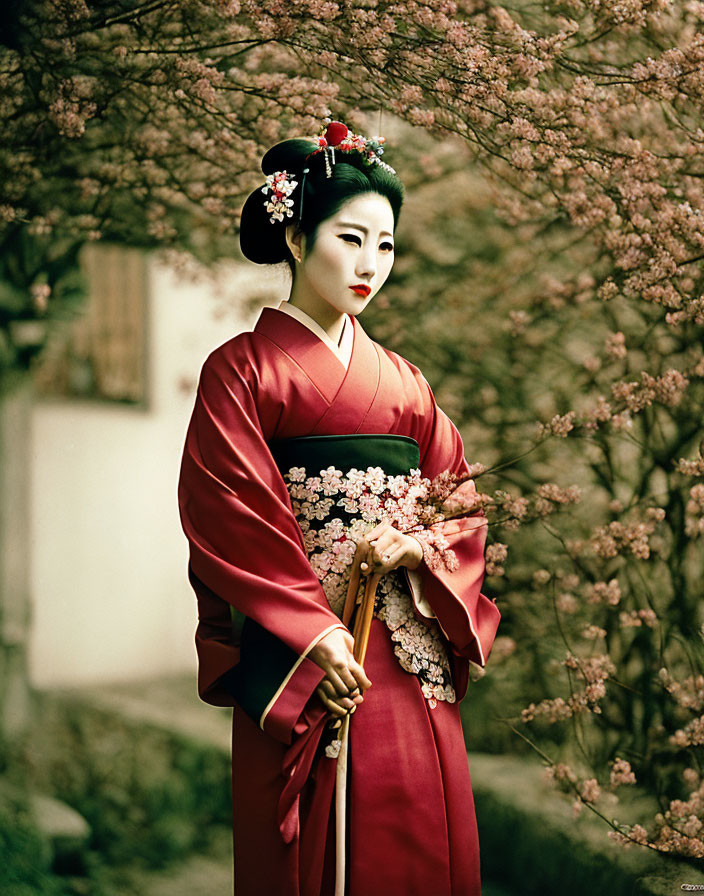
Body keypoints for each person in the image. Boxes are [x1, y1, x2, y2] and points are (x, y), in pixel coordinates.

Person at [177, 119, 501, 896]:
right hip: (306, 655)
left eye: (385, 246)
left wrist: (420, 548)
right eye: (350, 239)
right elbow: (231, 513)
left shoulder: (405, 382)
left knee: (418, 839)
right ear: (295, 239)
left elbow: (456, 501)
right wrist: (312, 634)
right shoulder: (242, 372)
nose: (369, 265)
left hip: (402, 648)